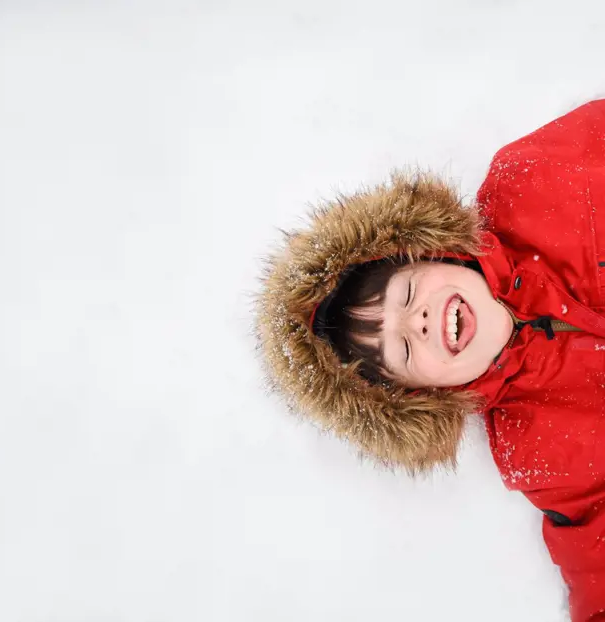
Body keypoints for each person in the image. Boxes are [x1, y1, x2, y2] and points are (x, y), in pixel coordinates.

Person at [255, 99, 605, 621]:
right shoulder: (537, 446)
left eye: (408, 292)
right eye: (403, 350)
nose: (417, 321)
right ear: (424, 394)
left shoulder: (530, 182)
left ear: (435, 252)